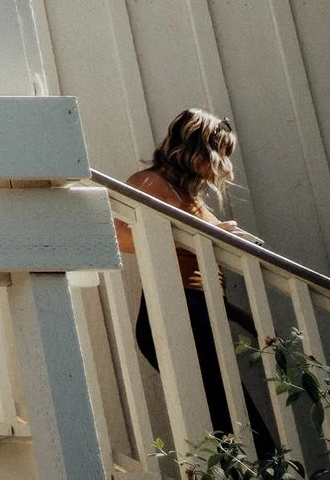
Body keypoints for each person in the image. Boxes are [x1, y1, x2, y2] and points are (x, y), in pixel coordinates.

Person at [115, 110, 277, 459]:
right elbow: (120, 236)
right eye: (220, 155)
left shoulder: (190, 197)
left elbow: (200, 269)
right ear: (196, 150)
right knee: (236, 427)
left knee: (231, 420)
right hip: (175, 313)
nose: (222, 167)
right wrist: (206, 234)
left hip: (200, 313)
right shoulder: (149, 182)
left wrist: (237, 314)